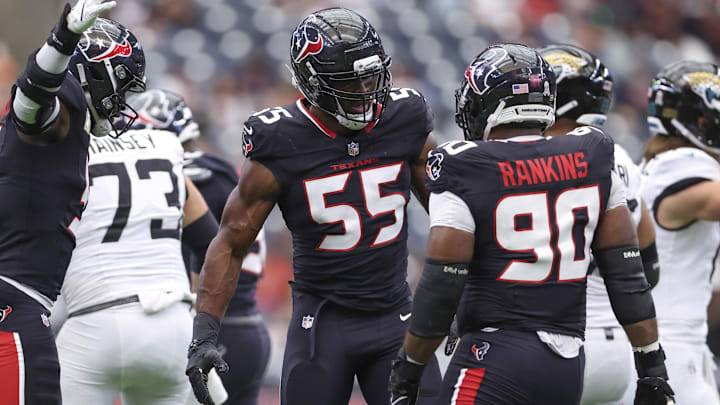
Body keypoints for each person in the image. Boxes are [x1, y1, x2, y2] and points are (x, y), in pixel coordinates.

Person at [387, 44, 674, 405]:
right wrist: (652, 365)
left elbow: (443, 283)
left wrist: (409, 368)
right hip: (567, 364)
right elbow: (628, 275)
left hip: (494, 356)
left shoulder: (463, 166)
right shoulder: (594, 153)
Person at [185, 7, 442, 405]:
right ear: (311, 83)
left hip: (396, 316)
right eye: (348, 83)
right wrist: (204, 333)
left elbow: (450, 211)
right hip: (322, 324)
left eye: (370, 78)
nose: (364, 93)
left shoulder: (404, 118)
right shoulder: (282, 141)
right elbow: (232, 242)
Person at [0, 1, 146, 403]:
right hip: (14, 305)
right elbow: (29, 105)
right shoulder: (63, 109)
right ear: (94, 74)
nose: (122, 103)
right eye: (122, 85)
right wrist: (64, 35)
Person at [56, 93, 220, 403]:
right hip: (172, 327)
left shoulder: (64, 152)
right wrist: (199, 322)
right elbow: (210, 241)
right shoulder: (163, 145)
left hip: (94, 322)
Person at [129, 88, 270, 404]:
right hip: (246, 325)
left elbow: (204, 250)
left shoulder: (184, 174)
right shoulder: (220, 169)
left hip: (211, 330)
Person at [539, 44, 660, 405]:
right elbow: (648, 266)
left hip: (552, 343)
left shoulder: (525, 158)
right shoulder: (619, 156)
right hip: (618, 351)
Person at [640, 59, 720, 404]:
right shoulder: (682, 164)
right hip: (671, 348)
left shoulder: (656, 163)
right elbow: (712, 202)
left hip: (668, 344)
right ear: (701, 120)